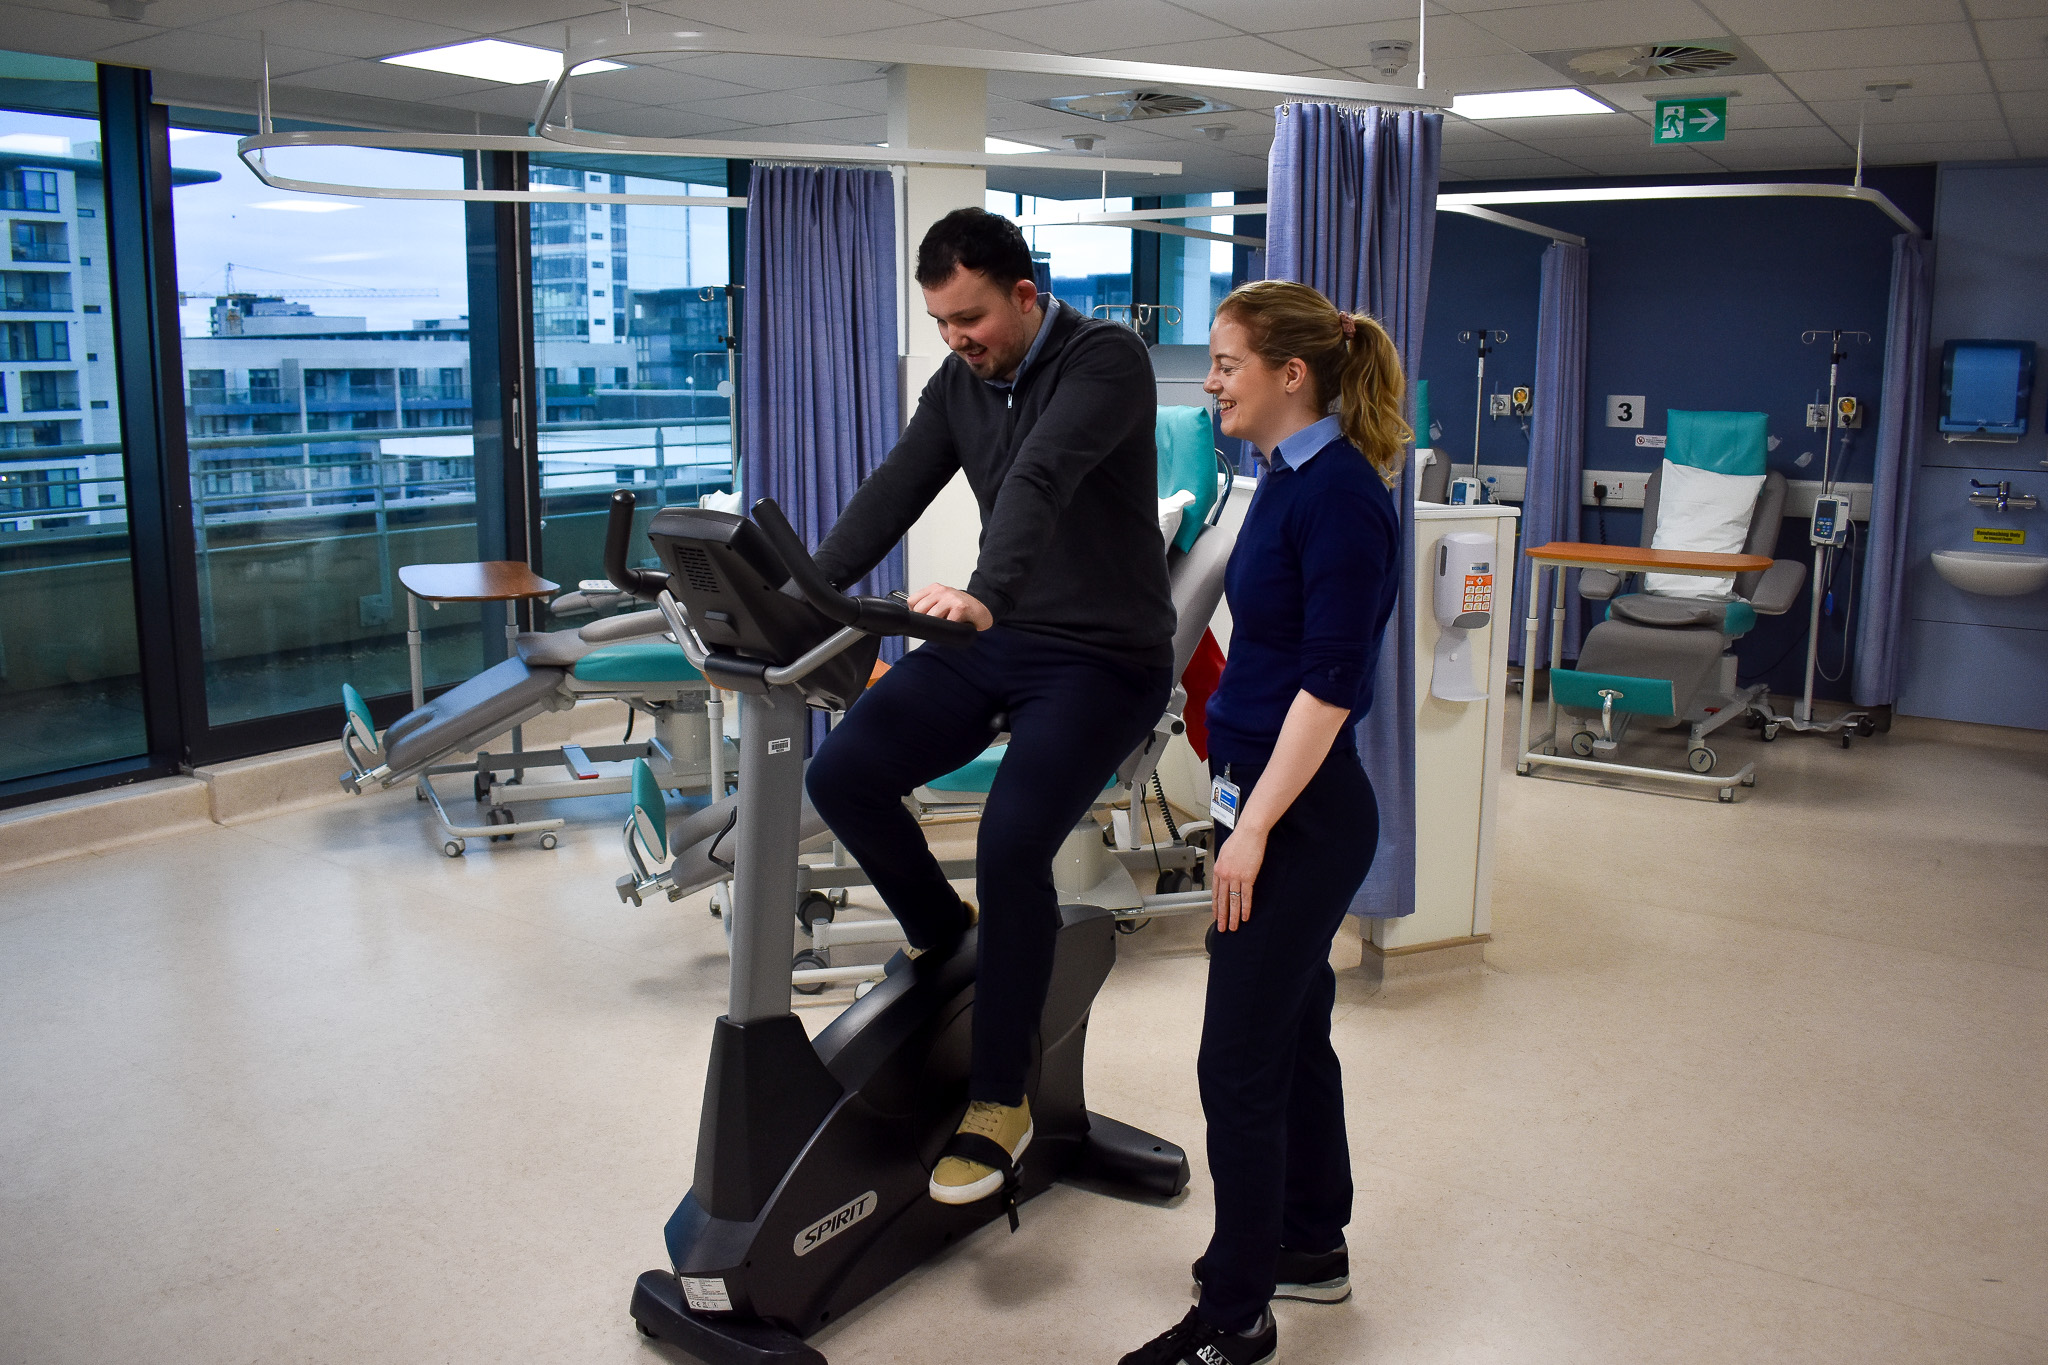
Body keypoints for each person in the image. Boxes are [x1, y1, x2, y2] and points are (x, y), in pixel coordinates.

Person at [804, 207, 1175, 1211]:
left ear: (1024, 294)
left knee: (1013, 841)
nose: (956, 339)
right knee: (840, 773)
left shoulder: (1105, 361)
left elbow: (1041, 475)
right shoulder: (961, 382)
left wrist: (988, 589)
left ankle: (1000, 1099)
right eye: (940, 324)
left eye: (969, 317)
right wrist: (804, 595)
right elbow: (893, 489)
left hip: (1102, 656)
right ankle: (944, 930)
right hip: (998, 638)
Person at [1119, 280, 1407, 1365]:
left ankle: (1234, 1316)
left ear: (1292, 375)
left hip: (1299, 820)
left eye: (1228, 364)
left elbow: (1331, 688)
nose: (1210, 383)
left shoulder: (1340, 496)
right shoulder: (1280, 480)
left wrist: (1246, 833)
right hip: (1270, 802)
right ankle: (1308, 1244)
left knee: (1234, 1063)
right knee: (1290, 1035)